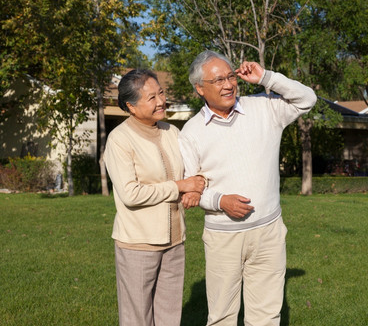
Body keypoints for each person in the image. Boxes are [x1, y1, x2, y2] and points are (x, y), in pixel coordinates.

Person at [179, 51, 317, 326]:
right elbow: (189, 189)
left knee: (267, 316)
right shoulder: (191, 132)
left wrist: (266, 77)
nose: (228, 84)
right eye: (218, 80)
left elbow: (307, 99)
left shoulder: (264, 107)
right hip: (223, 238)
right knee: (222, 318)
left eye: (231, 76)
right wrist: (220, 201)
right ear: (200, 88)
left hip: (269, 232)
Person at [104, 69, 206, 326]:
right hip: (138, 244)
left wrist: (194, 186)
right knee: (137, 318)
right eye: (151, 97)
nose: (161, 101)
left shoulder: (172, 131)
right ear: (131, 106)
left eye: (161, 92)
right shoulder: (119, 140)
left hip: (175, 241)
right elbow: (131, 194)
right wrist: (180, 186)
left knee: (169, 317)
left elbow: (195, 167)